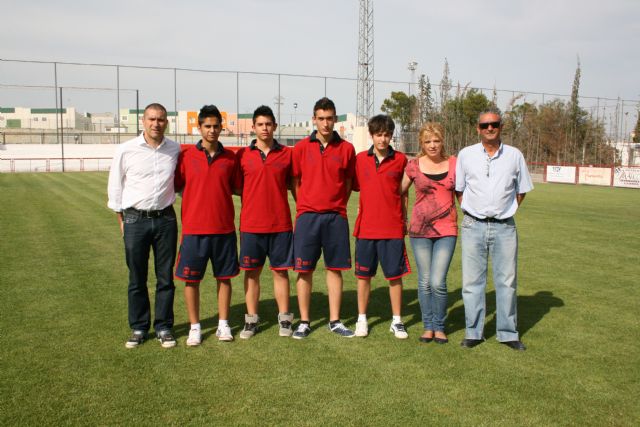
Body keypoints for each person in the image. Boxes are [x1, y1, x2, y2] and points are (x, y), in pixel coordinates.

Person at [456, 108, 534, 351]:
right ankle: (473, 332)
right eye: (485, 125)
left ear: (501, 127)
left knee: (507, 282)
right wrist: (475, 210)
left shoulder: (514, 155)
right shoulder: (466, 154)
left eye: (495, 124)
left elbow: (521, 190)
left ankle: (508, 333)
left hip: (504, 227)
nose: (490, 128)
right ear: (477, 129)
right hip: (473, 225)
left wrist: (504, 211)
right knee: (471, 283)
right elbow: (460, 189)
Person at [107, 103, 181, 349]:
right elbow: (115, 187)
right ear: (143, 121)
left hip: (165, 220)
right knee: (136, 277)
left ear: (166, 122)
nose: (156, 124)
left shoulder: (175, 149)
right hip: (134, 220)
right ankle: (139, 327)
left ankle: (163, 326)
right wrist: (122, 222)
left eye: (160, 119)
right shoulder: (126, 150)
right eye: (151, 119)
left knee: (165, 277)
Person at [174, 105, 240, 345]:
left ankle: (223, 324)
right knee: (192, 280)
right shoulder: (186, 156)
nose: (212, 130)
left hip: (223, 230)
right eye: (207, 126)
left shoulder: (230, 158)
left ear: (221, 127)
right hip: (194, 230)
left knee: (224, 278)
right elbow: (177, 185)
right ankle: (195, 326)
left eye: (216, 126)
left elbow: (236, 188)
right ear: (199, 127)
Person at [291, 97, 356, 339]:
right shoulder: (300, 148)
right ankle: (304, 321)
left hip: (335, 217)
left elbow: (348, 182)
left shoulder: (347, 149)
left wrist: (337, 204)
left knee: (335, 269)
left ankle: (335, 320)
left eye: (330, 119)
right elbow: (295, 181)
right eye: (321, 119)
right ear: (314, 119)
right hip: (307, 217)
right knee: (304, 270)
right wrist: (305, 205)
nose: (326, 123)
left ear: (336, 120)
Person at [234, 105, 294, 339]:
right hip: (251, 226)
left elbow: (293, 184)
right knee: (251, 273)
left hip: (280, 225)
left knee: (280, 273)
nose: (265, 128)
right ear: (253, 127)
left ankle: (285, 319)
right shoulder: (243, 156)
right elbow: (238, 187)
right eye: (260, 124)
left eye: (269, 124)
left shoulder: (286, 155)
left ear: (275, 126)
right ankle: (251, 321)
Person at [353, 114, 410, 339]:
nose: (383, 139)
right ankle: (362, 319)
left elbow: (404, 193)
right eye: (379, 135)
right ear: (371, 135)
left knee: (394, 276)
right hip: (366, 229)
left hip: (392, 228)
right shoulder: (360, 160)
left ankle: (397, 320)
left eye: (387, 135)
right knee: (363, 277)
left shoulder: (401, 160)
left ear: (391, 136)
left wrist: (404, 220)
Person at [401, 122, 457, 344]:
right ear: (421, 144)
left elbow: (466, 191)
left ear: (442, 141)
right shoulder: (413, 165)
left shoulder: (454, 163)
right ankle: (428, 326)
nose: (433, 145)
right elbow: (399, 191)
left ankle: (440, 326)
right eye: (427, 142)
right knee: (424, 281)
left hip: (447, 230)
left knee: (437, 281)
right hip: (420, 231)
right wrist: (403, 217)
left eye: (436, 140)